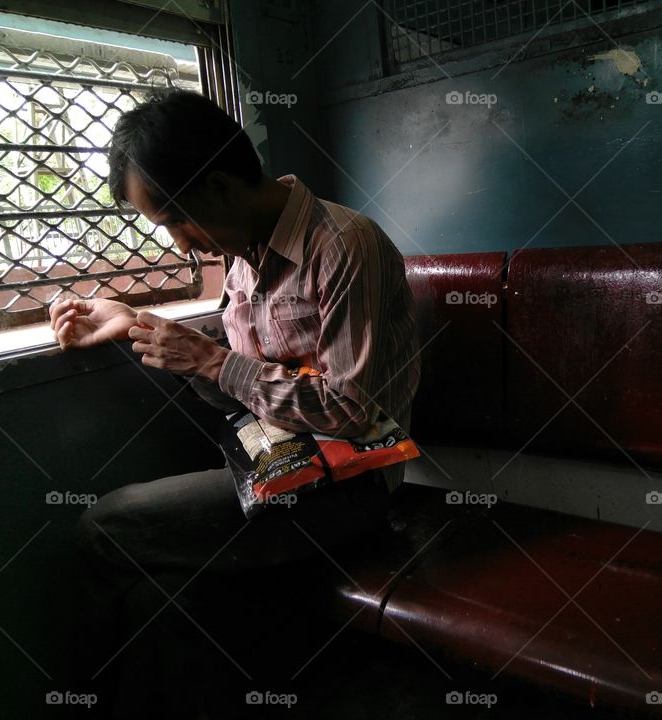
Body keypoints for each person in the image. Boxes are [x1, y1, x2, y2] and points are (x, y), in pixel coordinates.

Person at [49, 89, 420, 718]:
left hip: (348, 485)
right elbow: (246, 390)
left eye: (174, 221)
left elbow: (355, 411)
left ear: (219, 187)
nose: (181, 246)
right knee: (166, 600)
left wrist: (213, 361)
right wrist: (138, 325)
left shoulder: (344, 245)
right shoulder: (245, 258)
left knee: (104, 527)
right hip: (274, 467)